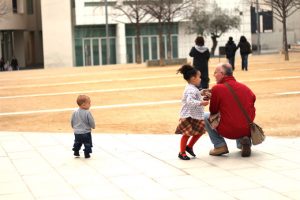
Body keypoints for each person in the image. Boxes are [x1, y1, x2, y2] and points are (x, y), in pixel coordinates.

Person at [204, 63, 256, 157]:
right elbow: (252, 107)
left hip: (228, 130)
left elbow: (213, 111)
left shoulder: (217, 88)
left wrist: (214, 98)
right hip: (247, 129)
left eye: (215, 72)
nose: (214, 75)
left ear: (222, 73)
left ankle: (220, 146)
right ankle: (242, 143)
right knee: (239, 115)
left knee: (204, 116)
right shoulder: (245, 88)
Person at [175, 64, 209, 160]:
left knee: (200, 131)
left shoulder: (192, 87)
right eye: (199, 77)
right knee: (187, 134)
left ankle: (189, 147)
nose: (200, 79)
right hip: (188, 115)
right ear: (193, 78)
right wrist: (201, 103)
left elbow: (196, 94)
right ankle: (182, 152)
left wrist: (202, 93)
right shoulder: (190, 89)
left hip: (195, 115)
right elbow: (190, 101)